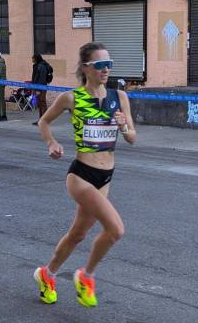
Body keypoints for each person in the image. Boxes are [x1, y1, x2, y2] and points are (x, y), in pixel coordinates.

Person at [34, 42, 136, 307]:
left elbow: (133, 138)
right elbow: (44, 121)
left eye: (109, 64)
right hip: (81, 175)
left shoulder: (120, 97)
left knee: (77, 234)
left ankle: (47, 274)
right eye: (100, 65)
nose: (106, 70)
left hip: (106, 176)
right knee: (115, 230)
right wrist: (52, 143)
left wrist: (124, 127)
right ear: (85, 68)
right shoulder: (71, 98)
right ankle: (86, 276)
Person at [31, 53, 48, 125]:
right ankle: (41, 119)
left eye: (33, 58)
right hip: (37, 86)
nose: (32, 60)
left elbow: (41, 78)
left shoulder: (41, 66)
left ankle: (44, 120)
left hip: (41, 87)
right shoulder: (37, 65)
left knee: (42, 103)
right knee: (39, 103)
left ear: (36, 58)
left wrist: (38, 89)